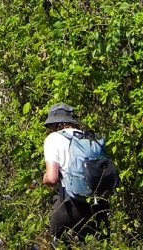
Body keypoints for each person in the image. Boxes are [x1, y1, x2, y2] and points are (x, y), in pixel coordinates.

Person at [42, 103, 110, 248]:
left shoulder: (53, 138)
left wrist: (44, 178)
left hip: (69, 204)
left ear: (55, 124)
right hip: (97, 205)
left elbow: (52, 178)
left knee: (56, 244)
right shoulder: (89, 138)